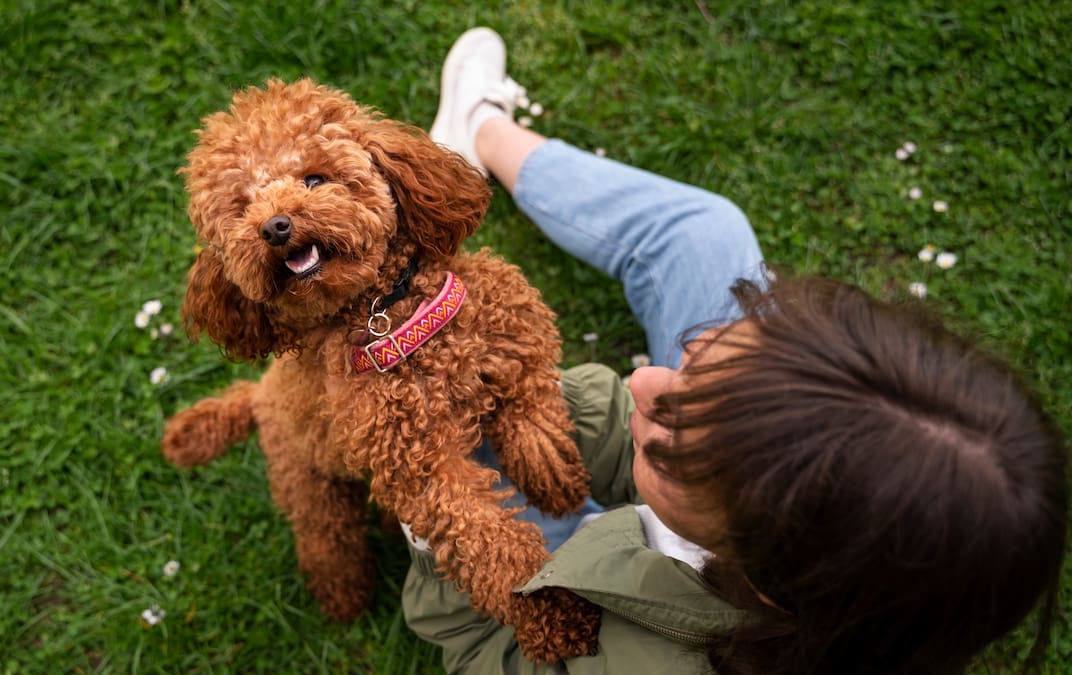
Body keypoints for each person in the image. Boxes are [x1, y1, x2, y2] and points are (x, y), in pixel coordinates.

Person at [400, 27, 1070, 675]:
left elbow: (487, 653)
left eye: (675, 427)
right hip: (706, 524)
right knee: (707, 237)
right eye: (707, 353)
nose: (641, 380)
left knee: (451, 447)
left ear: (767, 580)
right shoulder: (791, 527)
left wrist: (439, 521)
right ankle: (479, 130)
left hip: (582, 582)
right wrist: (556, 410)